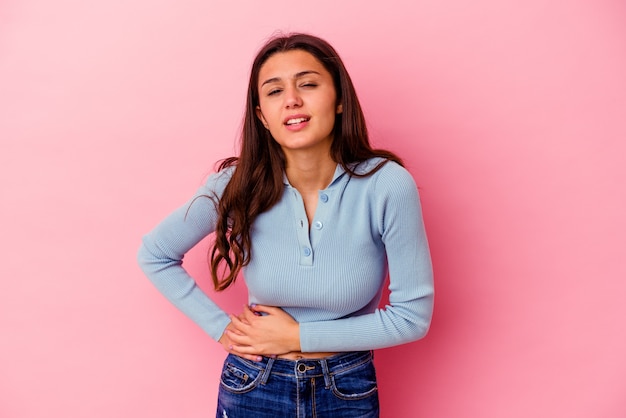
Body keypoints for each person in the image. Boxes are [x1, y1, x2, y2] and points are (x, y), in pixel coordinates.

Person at [137, 32, 434, 418]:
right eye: (274, 91)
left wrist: (297, 336)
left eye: (307, 84)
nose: (292, 99)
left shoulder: (386, 185)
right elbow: (155, 253)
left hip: (345, 387)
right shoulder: (237, 185)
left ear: (340, 98)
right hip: (254, 383)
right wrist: (222, 330)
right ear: (261, 115)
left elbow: (412, 318)